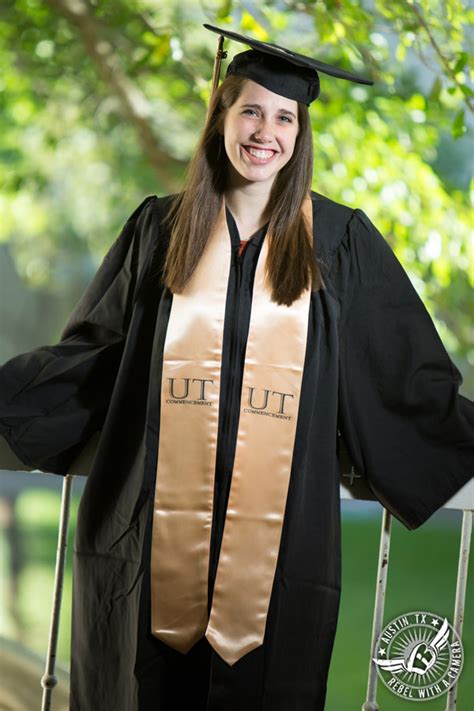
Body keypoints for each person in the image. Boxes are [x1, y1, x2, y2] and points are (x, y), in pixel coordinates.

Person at [0, 23, 472, 711]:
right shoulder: (160, 228)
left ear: (300, 134)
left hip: (278, 557)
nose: (266, 131)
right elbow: (93, 359)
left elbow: (404, 379)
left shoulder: (339, 243)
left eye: (285, 117)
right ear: (221, 115)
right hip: (147, 542)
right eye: (251, 108)